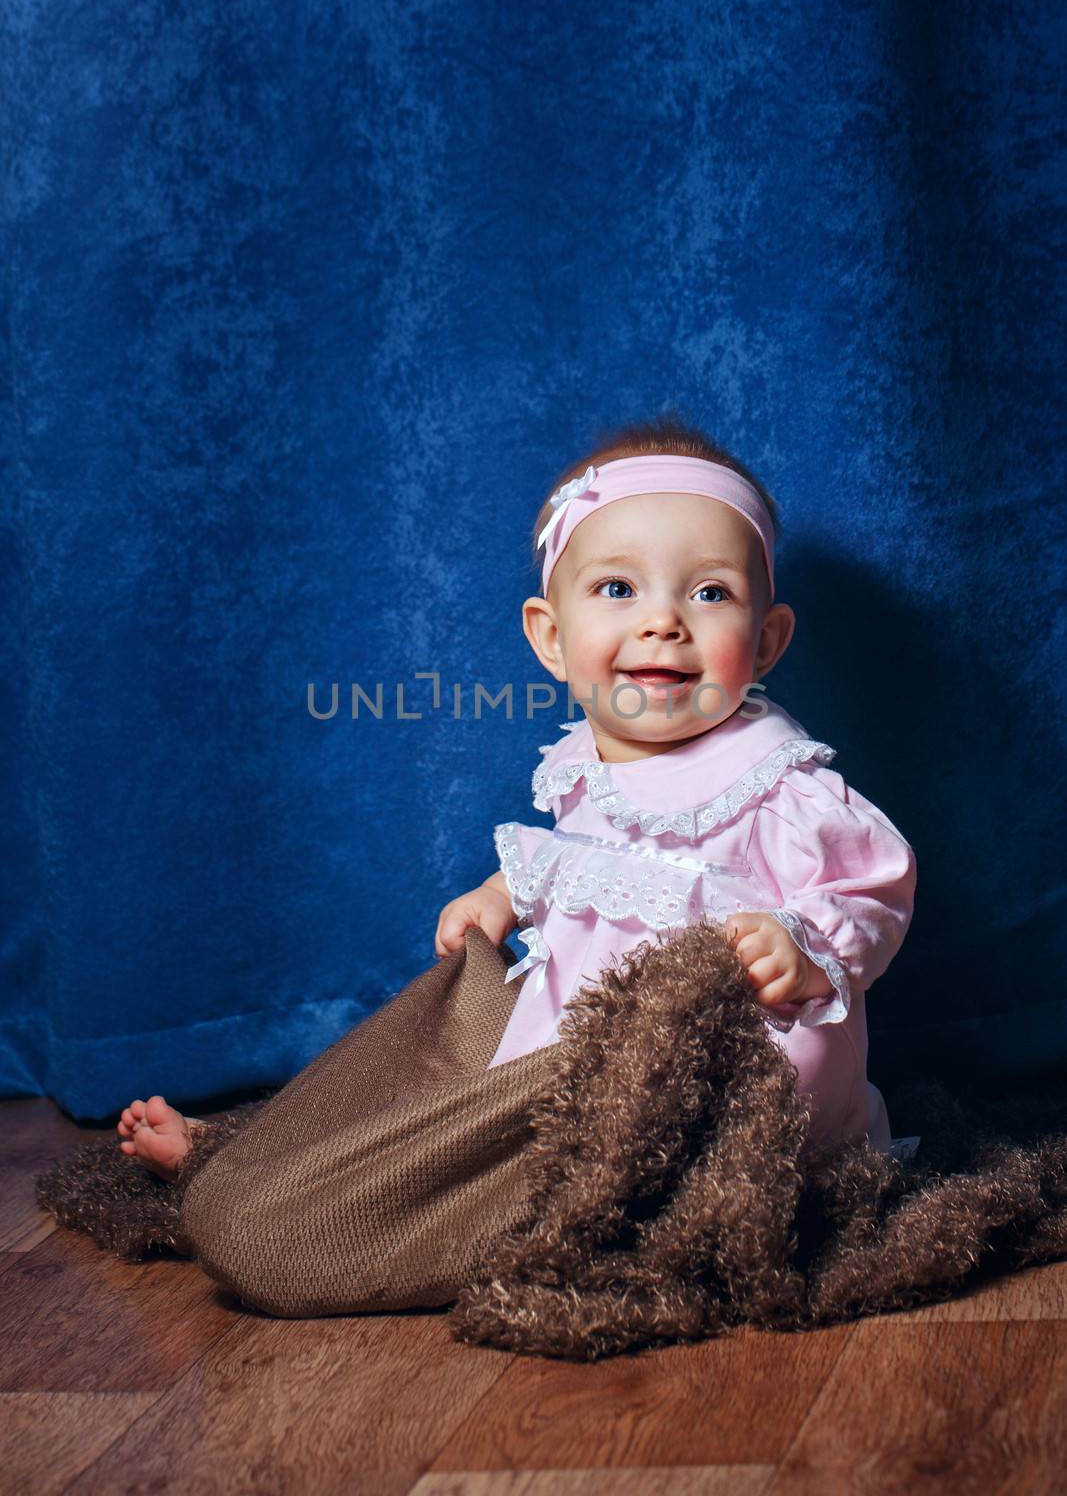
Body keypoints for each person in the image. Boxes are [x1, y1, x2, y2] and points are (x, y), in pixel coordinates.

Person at [117, 417, 916, 1189]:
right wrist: (502, 895)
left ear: (767, 641)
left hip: (722, 1080)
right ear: (551, 639)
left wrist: (801, 947)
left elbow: (874, 887)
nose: (662, 621)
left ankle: (367, 1194)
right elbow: (591, 866)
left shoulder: (774, 782)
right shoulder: (582, 767)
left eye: (709, 592)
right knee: (427, 1059)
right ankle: (260, 1162)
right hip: (575, 1057)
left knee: (548, 1145)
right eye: (616, 587)